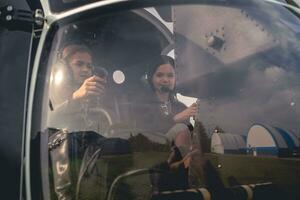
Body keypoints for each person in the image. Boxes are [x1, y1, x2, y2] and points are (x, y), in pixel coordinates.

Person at [48, 44, 111, 132]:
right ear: (65, 69)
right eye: (79, 64)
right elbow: (47, 121)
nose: (85, 69)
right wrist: (75, 98)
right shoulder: (50, 94)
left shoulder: (92, 97)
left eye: (89, 66)